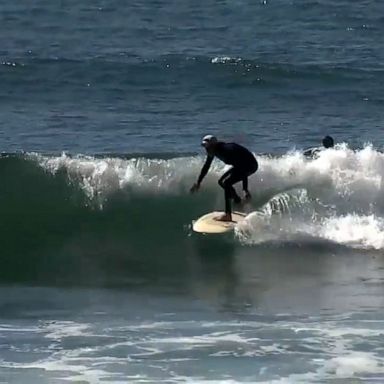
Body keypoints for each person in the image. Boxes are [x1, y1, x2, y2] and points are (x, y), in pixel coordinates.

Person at [190, 135, 258, 222]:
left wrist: (245, 189)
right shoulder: (213, 151)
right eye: (205, 147)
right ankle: (238, 201)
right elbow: (206, 167)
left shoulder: (227, 151)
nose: (206, 149)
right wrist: (198, 183)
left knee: (227, 183)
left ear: (214, 145)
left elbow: (242, 166)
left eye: (207, 147)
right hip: (240, 165)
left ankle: (228, 215)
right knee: (221, 182)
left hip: (250, 165)